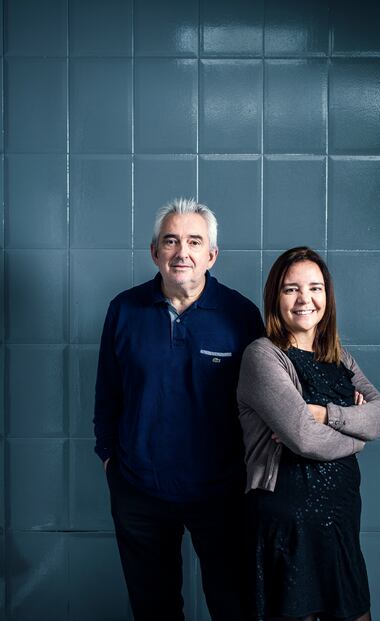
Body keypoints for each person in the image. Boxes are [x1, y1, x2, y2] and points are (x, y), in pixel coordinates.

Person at [94, 198, 264, 621]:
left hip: (222, 490)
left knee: (235, 605)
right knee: (155, 610)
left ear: (212, 255)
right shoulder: (124, 310)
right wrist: (109, 458)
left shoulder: (240, 315)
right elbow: (107, 393)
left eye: (193, 241)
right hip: (140, 490)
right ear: (155, 252)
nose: (181, 252)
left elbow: (270, 393)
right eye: (170, 241)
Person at [237, 246, 380, 621]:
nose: (305, 299)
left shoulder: (339, 357)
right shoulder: (263, 356)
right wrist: (358, 433)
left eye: (315, 288)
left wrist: (326, 413)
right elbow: (304, 439)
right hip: (290, 525)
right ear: (276, 296)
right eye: (291, 289)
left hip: (340, 521)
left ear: (327, 295)